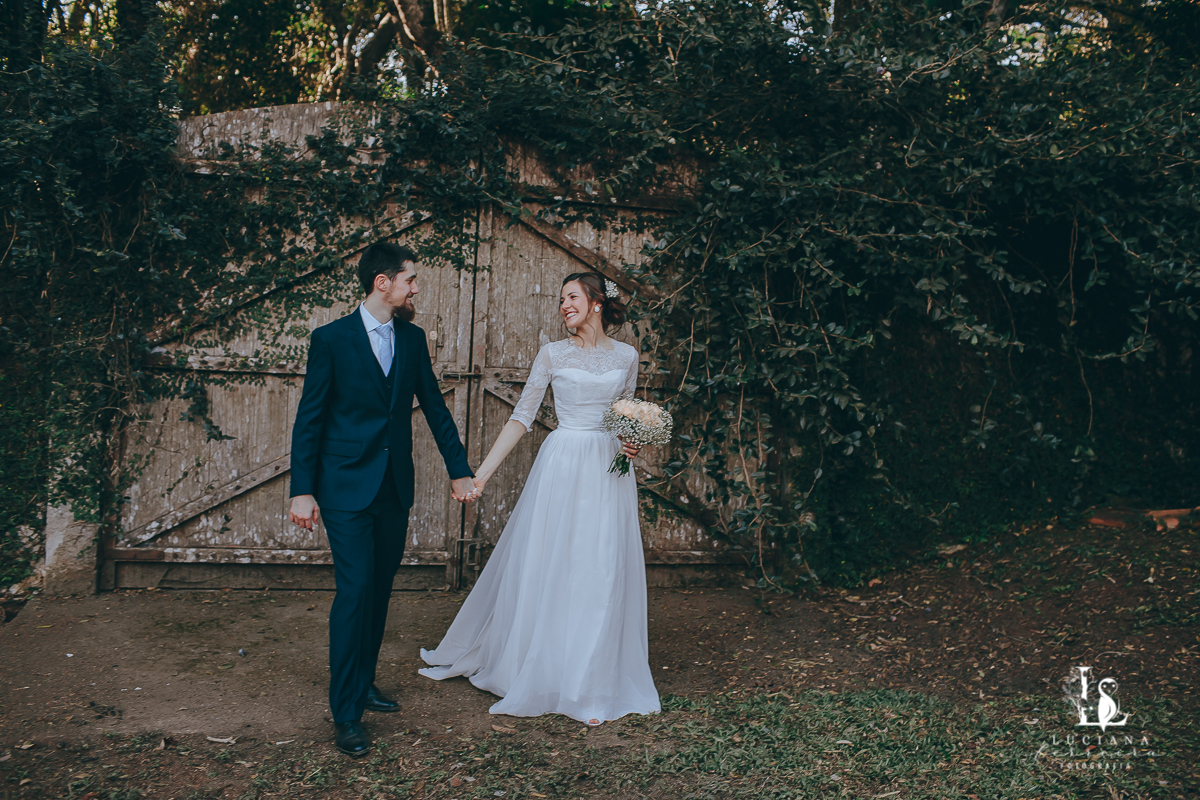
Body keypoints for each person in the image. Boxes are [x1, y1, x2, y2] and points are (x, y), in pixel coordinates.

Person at [418, 272, 661, 726]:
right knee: (555, 563)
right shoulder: (551, 353)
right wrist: (481, 475)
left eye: (571, 297)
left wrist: (632, 442)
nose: (564, 305)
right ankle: (542, 666)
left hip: (608, 470)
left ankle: (590, 679)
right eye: (561, 299)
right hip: (563, 464)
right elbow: (521, 417)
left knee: (601, 565)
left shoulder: (627, 356)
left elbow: (623, 415)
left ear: (596, 304)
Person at [288, 242, 477, 756]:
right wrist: (302, 490)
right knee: (354, 592)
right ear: (382, 282)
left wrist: (459, 472)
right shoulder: (331, 339)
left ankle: (363, 682)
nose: (415, 287)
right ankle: (345, 714)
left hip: (394, 486)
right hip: (345, 488)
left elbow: (435, 408)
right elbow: (311, 418)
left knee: (377, 590)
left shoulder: (412, 340)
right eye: (410, 279)